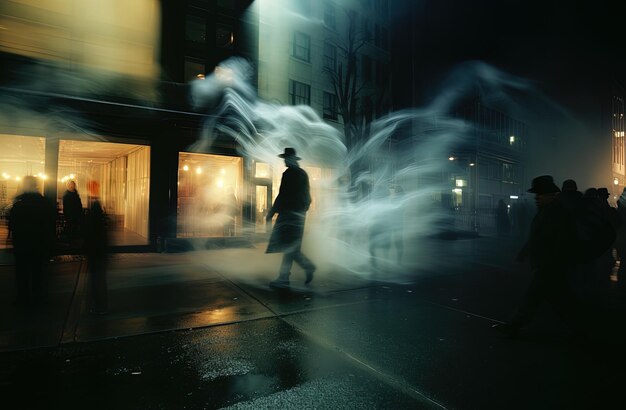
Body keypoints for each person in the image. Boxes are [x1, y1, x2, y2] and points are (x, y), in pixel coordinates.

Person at [493, 175, 582, 337]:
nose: (537, 197)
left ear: (550, 195)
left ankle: (515, 325)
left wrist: (550, 261)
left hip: (549, 264)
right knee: (559, 299)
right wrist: (525, 251)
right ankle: (579, 327)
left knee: (535, 297)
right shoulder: (549, 211)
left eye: (540, 194)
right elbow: (538, 236)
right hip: (549, 264)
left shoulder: (557, 213)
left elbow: (560, 240)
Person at [266, 148, 316, 288]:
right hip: (299, 216)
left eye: (286, 158)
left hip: (289, 215)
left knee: (289, 247)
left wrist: (271, 214)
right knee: (291, 247)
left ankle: (286, 276)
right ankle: (286, 276)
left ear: (291, 159)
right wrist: (302, 211)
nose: (284, 161)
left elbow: (282, 196)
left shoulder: (288, 174)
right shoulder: (302, 173)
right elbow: (308, 198)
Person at [8, 176, 56, 306]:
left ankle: (23, 298)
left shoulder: (18, 204)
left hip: (22, 244)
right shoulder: (44, 203)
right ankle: (38, 298)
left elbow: (12, 225)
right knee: (38, 272)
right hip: (39, 244)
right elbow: (50, 225)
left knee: (22, 273)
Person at [84, 180, 109, 314]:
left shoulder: (95, 205)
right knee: (98, 279)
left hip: (96, 249)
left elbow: (94, 230)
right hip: (98, 249)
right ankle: (99, 305)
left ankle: (98, 306)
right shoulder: (97, 204)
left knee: (96, 279)